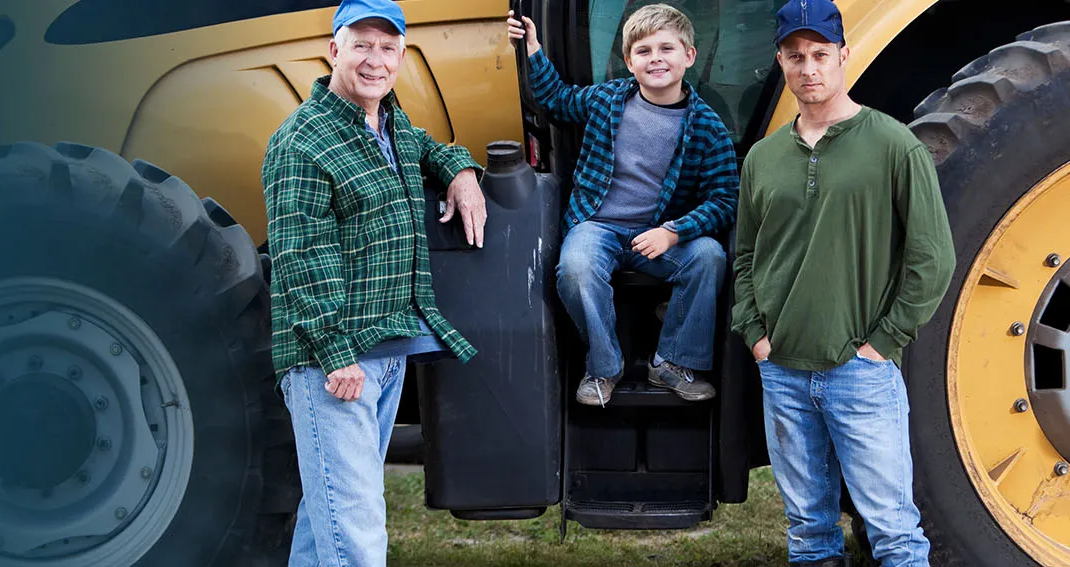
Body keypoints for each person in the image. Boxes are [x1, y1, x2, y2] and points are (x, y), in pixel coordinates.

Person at [260, 0, 487, 564]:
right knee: (356, 535)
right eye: (361, 44)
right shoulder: (303, 141)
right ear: (334, 50)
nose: (375, 59)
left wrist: (459, 170)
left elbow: (425, 147)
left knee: (326, 523)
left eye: (387, 47)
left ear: (401, 55)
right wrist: (335, 355)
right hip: (333, 362)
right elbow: (299, 257)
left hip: (384, 353)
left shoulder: (388, 123)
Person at [732, 1, 956, 565]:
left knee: (895, 531)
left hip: (860, 373)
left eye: (820, 55)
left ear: (844, 57)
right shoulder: (762, 158)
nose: (809, 68)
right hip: (782, 370)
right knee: (808, 531)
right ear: (781, 62)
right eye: (796, 56)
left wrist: (882, 344)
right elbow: (745, 255)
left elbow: (933, 259)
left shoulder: (893, 146)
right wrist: (755, 332)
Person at [508, 4, 738, 406]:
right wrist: (532, 50)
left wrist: (674, 231)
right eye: (644, 51)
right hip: (599, 225)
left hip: (659, 232)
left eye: (666, 48)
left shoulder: (707, 126)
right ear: (629, 61)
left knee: (709, 257)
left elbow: (723, 200)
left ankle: (671, 363)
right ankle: (603, 367)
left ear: (689, 56)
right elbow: (558, 100)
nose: (656, 59)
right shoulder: (608, 101)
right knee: (576, 267)